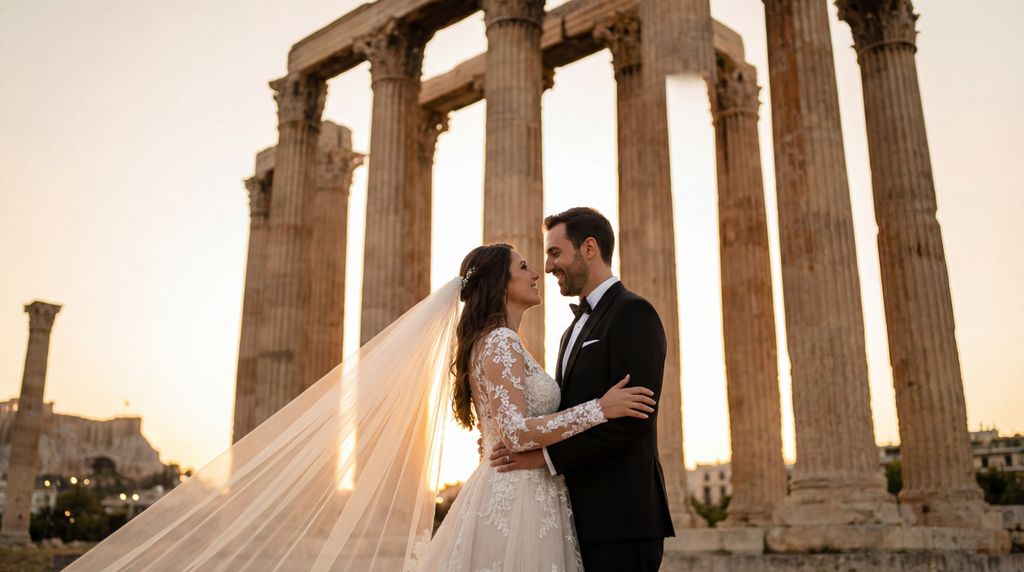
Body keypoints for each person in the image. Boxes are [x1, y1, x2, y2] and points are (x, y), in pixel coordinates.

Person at [415, 243, 656, 570]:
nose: (536, 274)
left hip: (522, 487)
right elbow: (515, 433)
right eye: (523, 267)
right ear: (501, 283)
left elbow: (504, 424)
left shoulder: (493, 340)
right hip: (518, 495)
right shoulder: (500, 340)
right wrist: (599, 408)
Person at [489, 207, 675, 571]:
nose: (547, 267)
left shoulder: (634, 313)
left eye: (555, 253)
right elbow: (566, 413)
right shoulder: (569, 333)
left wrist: (542, 459)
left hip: (621, 520)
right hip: (573, 519)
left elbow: (633, 420)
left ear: (589, 248)